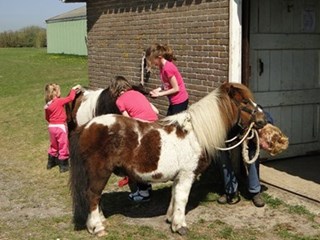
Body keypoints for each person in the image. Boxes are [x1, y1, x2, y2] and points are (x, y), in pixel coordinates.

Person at [217, 113, 289, 207]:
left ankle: (254, 191)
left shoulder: (269, 128)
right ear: (267, 137)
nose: (263, 149)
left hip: (250, 138)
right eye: (264, 147)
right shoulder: (263, 118)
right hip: (233, 132)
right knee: (223, 156)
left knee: (253, 157)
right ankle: (230, 190)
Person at [110, 76, 159, 202]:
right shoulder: (137, 93)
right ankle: (146, 187)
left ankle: (143, 193)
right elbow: (156, 110)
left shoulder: (120, 101)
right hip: (155, 126)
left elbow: (128, 121)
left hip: (142, 128)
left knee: (135, 160)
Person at [44, 83, 81, 173]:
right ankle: (63, 165)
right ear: (56, 92)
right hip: (60, 126)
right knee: (63, 144)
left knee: (54, 144)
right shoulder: (59, 101)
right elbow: (70, 98)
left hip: (51, 127)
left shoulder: (47, 105)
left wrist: (52, 122)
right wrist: (73, 89)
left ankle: (51, 162)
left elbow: (47, 118)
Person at [145, 43, 189, 116]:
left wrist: (159, 94)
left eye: (152, 60)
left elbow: (176, 88)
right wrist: (158, 89)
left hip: (180, 101)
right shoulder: (161, 66)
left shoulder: (167, 68)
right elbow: (167, 83)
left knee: (173, 126)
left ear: (159, 57)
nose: (152, 63)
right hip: (174, 101)